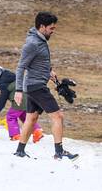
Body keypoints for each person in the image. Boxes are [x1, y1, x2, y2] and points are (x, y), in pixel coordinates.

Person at [13, 12, 77, 160]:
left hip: (35, 84)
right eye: (51, 28)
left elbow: (37, 62)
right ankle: (59, 152)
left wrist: (49, 72)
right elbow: (21, 67)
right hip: (36, 86)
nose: (53, 31)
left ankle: (20, 150)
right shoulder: (32, 44)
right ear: (42, 27)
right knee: (58, 116)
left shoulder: (39, 40)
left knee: (32, 118)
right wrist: (18, 90)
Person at [0, 66, 42, 143]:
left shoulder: (4, 85)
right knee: (24, 116)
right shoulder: (13, 78)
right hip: (29, 98)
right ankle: (37, 131)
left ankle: (15, 135)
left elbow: (2, 101)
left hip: (20, 100)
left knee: (11, 116)